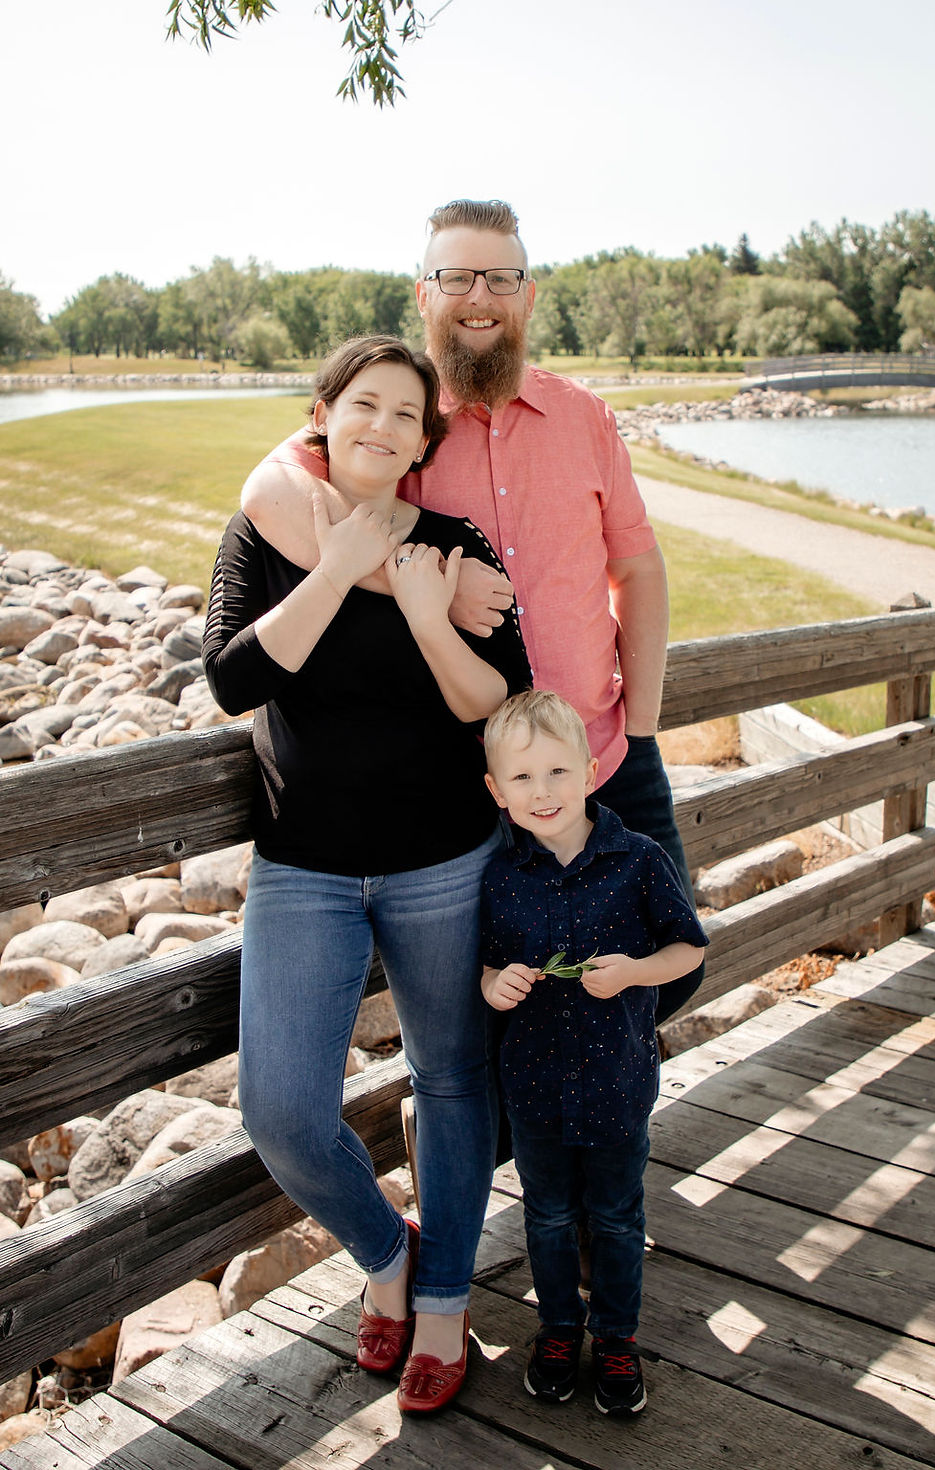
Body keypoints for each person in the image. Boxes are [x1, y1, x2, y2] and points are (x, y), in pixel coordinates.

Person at [241, 198, 704, 1025]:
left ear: (529, 296)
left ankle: (606, 1098)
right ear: (424, 295)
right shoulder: (397, 422)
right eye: (456, 277)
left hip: (603, 756)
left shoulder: (586, 418)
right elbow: (270, 490)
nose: (479, 296)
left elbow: (637, 568)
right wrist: (418, 584)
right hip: (472, 781)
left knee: (665, 975)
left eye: (500, 278)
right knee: (495, 1010)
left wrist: (641, 728)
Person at [203, 336, 531, 1415]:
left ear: (424, 442)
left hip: (446, 862)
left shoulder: (453, 546)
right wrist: (339, 568)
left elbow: (501, 699)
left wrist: (428, 609)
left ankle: (441, 1298)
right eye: (364, 404)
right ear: (323, 413)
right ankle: (388, 1253)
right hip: (304, 867)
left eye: (406, 415)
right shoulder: (263, 529)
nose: (382, 427)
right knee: (282, 1111)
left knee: (451, 1078)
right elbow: (232, 679)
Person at [479, 690, 708, 1415]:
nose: (542, 791)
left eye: (557, 771)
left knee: (615, 1216)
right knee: (546, 1215)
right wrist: (495, 985)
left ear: (591, 770)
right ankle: (557, 1328)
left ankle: (615, 1336)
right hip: (536, 1088)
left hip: (617, 1083)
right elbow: (485, 966)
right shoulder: (500, 877)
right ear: (496, 791)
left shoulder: (637, 861)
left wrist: (636, 972)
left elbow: (688, 949)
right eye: (522, 778)